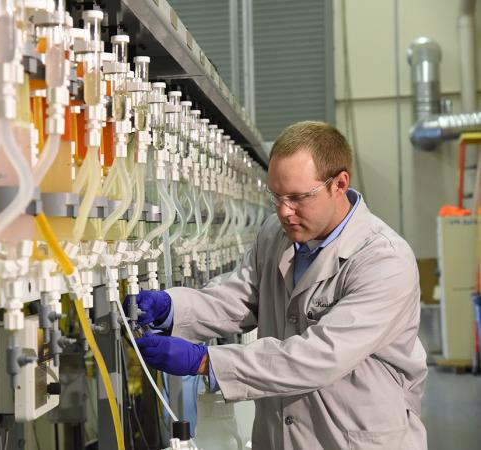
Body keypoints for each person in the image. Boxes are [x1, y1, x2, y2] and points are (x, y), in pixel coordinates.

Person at [128, 121, 428, 449]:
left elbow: (321, 356)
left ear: (339, 184)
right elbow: (241, 297)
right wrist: (172, 308)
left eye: (298, 197)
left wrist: (207, 362)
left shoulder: (384, 260)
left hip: (354, 438)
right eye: (277, 195)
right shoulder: (276, 233)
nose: (284, 211)